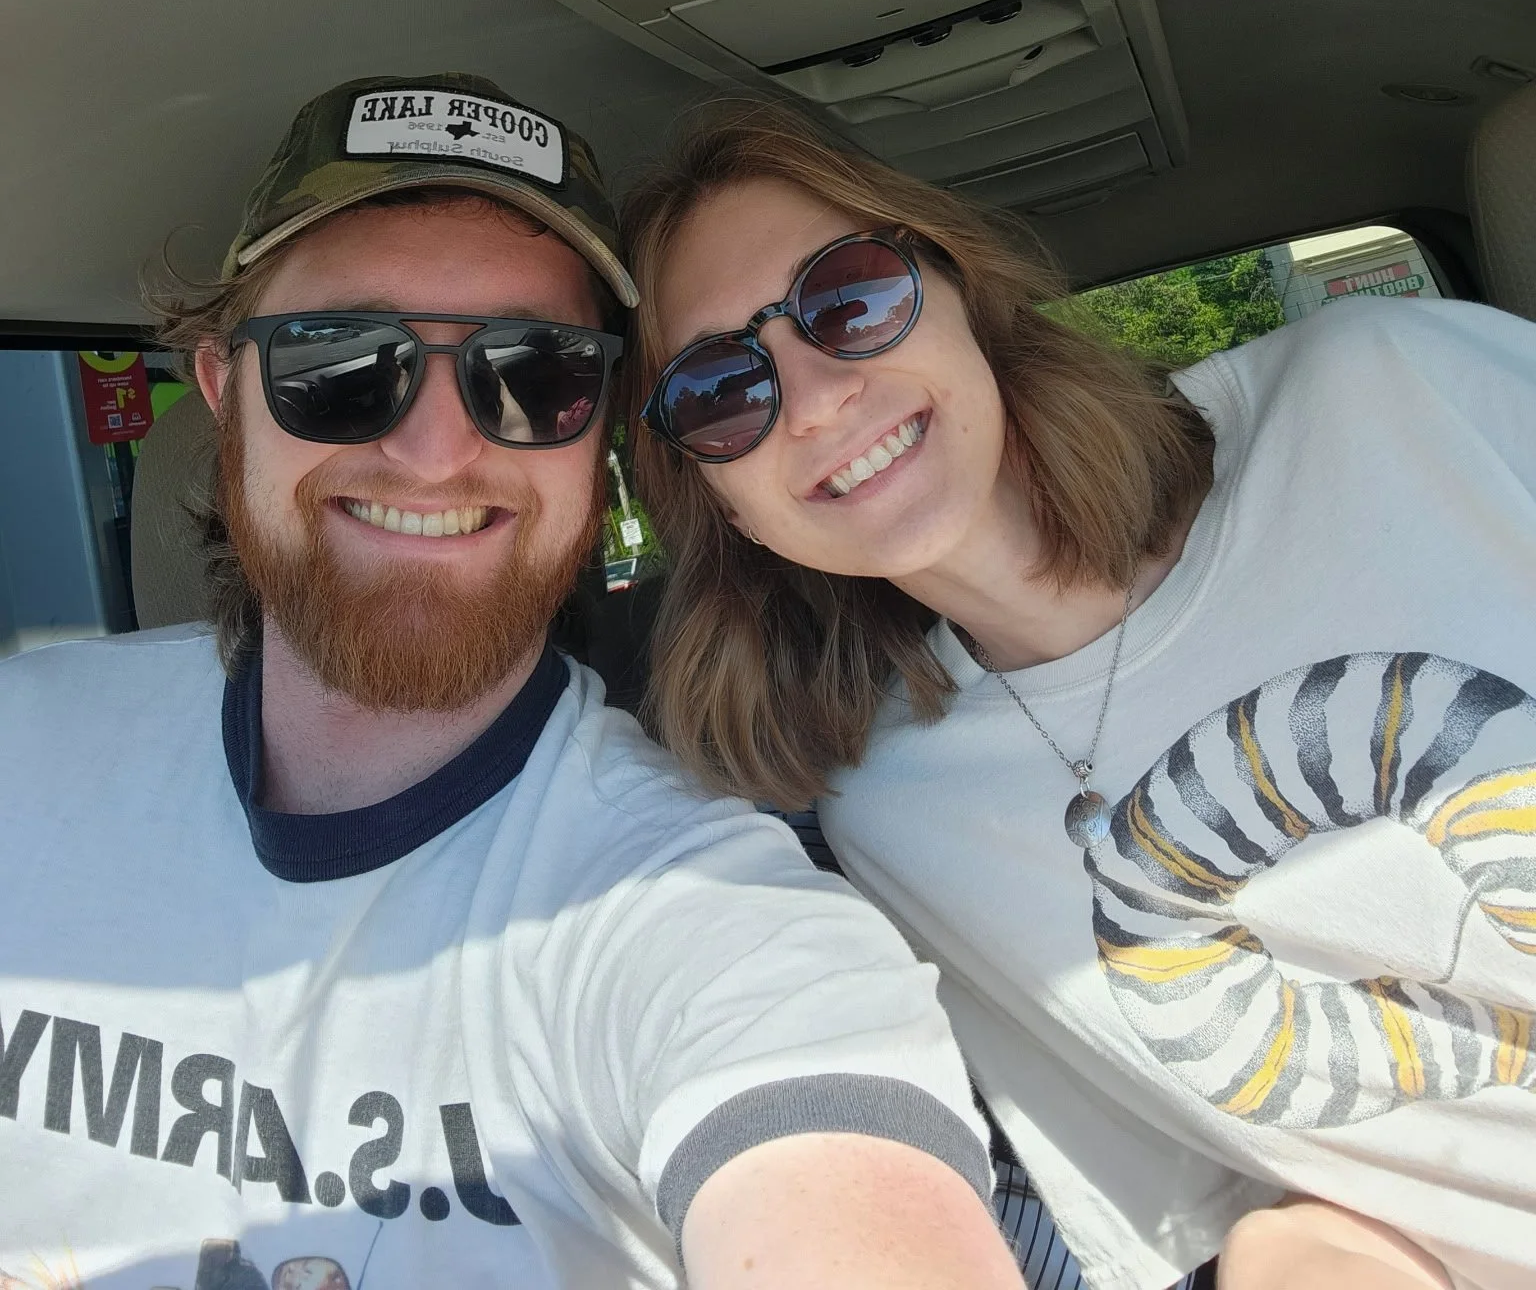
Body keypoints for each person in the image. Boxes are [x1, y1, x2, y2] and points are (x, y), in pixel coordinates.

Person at [0, 74, 1027, 1290]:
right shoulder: (25, 744)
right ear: (225, 392)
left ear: (600, 436)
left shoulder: (703, 923)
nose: (437, 454)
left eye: (536, 374)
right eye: (341, 362)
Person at [620, 99, 1536, 1290]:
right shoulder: (894, 820)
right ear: (718, 499)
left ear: (957, 286)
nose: (813, 398)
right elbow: (1265, 1207)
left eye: (848, 299)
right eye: (716, 392)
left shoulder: (1393, 388)